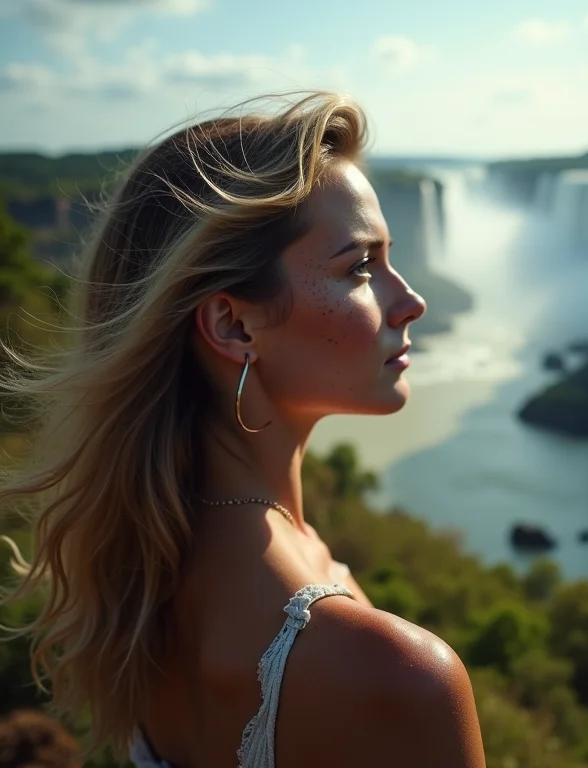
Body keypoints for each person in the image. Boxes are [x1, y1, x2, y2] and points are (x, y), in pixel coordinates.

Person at [0, 91, 486, 768]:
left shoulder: (136, 587)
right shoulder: (401, 677)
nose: (410, 299)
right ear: (233, 324)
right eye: (361, 268)